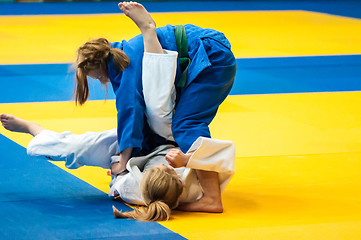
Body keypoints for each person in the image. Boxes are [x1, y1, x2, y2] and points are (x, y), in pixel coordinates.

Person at [75, 2, 237, 177]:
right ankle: (182, 161)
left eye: (99, 77)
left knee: (185, 124)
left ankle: (210, 194)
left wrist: (123, 160)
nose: (102, 82)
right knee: (160, 119)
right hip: (206, 51)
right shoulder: (125, 54)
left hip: (210, 56)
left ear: (102, 66)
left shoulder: (125, 70)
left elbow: (129, 113)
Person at [0, 113, 235, 221]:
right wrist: (187, 160)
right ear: (179, 179)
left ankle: (33, 129)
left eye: (160, 169)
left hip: (125, 158)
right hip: (165, 138)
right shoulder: (193, 187)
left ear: (145, 178)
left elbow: (115, 172)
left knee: (75, 148)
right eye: (170, 169)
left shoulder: (135, 188)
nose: (167, 166)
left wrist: (119, 165)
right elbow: (219, 152)